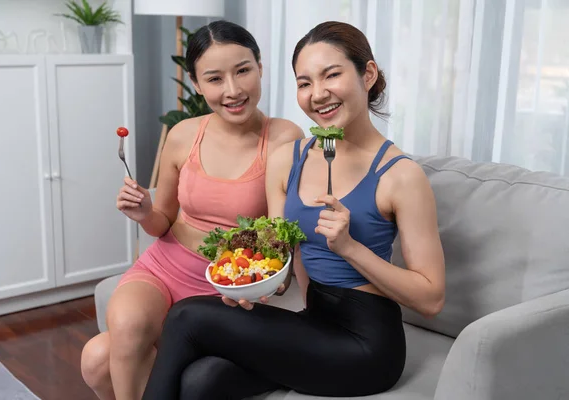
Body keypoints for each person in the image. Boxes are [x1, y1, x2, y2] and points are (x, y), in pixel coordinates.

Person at [141, 21, 445, 400]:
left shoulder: (400, 176)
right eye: (304, 83)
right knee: (200, 382)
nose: (318, 94)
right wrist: (256, 283)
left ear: (367, 74)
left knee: (188, 315)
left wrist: (351, 248)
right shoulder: (289, 159)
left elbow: (431, 299)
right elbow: (280, 263)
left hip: (368, 345)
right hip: (314, 320)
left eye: (331, 75)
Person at [80, 20, 304, 400]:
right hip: (165, 267)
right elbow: (161, 222)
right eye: (215, 79)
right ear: (197, 85)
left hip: (228, 286)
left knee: (101, 356)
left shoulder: (284, 137)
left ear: (261, 68)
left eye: (243, 71)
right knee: (101, 351)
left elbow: (286, 232)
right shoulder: (184, 133)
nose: (233, 90)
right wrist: (145, 212)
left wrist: (276, 280)